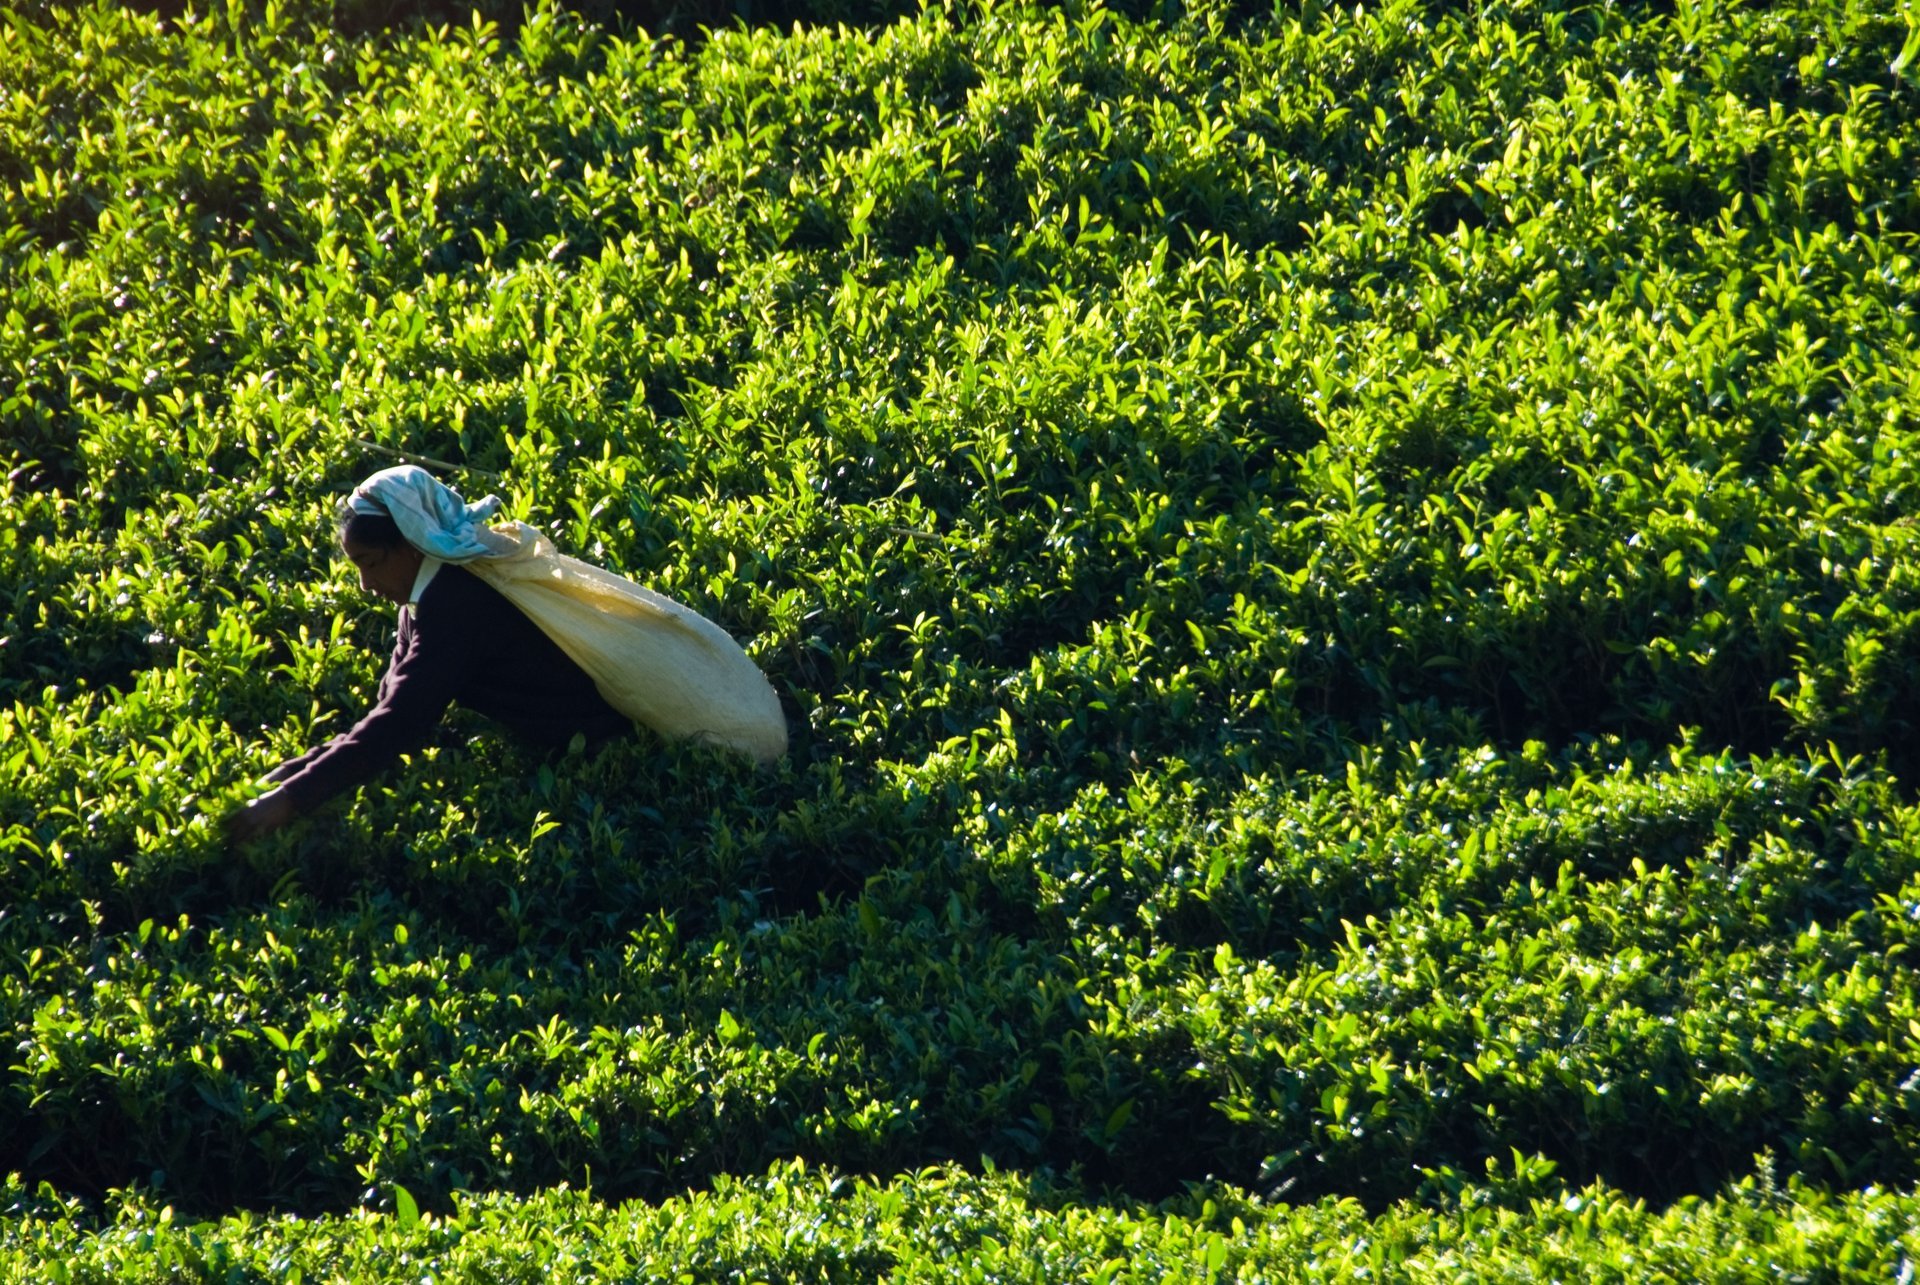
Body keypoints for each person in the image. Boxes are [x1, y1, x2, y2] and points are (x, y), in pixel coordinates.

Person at [225, 484, 634, 844]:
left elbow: (402, 722)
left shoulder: (457, 603)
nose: (366, 585)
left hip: (594, 742)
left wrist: (290, 800)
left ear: (411, 545)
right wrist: (290, 774)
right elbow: (388, 708)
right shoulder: (423, 601)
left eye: (372, 562)